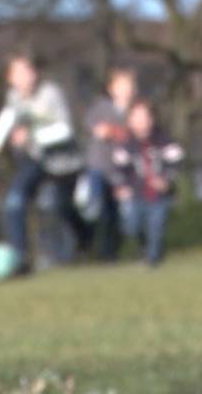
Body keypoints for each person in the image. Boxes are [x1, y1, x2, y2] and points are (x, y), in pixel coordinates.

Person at [0, 51, 92, 273]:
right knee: (15, 200)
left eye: (28, 70)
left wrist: (31, 137)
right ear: (10, 78)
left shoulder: (51, 94)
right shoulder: (14, 97)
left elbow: (65, 130)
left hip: (64, 162)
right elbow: (7, 118)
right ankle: (19, 258)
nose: (25, 76)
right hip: (36, 159)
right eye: (18, 72)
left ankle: (85, 236)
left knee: (62, 207)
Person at [111, 100, 183, 266]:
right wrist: (121, 187)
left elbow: (176, 162)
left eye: (144, 117)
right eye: (136, 117)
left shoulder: (164, 140)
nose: (141, 121)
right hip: (136, 194)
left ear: (151, 119)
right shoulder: (126, 144)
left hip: (159, 195)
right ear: (129, 120)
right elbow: (119, 169)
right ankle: (143, 247)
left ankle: (153, 259)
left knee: (156, 226)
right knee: (132, 225)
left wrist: (166, 180)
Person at [83, 67, 136, 261]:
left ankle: (115, 251)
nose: (127, 90)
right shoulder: (102, 108)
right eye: (122, 85)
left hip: (124, 170)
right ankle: (97, 250)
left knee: (121, 214)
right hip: (99, 167)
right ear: (112, 88)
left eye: (129, 85)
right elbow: (98, 131)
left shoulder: (137, 110)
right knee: (98, 209)